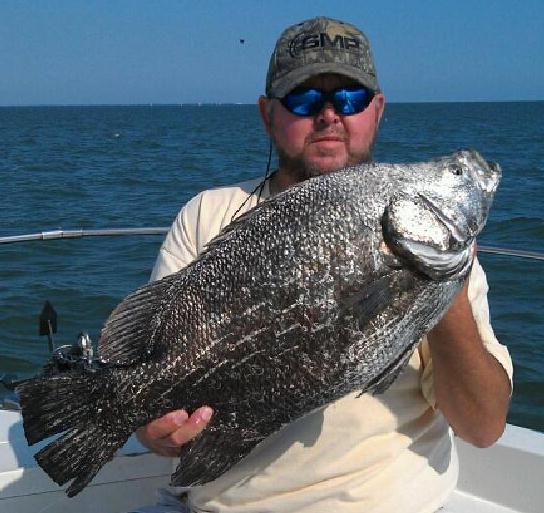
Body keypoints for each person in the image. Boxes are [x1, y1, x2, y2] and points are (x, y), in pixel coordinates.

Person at [132, 17, 513, 513]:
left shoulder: (428, 240)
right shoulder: (207, 215)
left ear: (377, 110)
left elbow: (482, 427)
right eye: (304, 99)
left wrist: (445, 288)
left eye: (350, 98)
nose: (329, 115)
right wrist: (151, 426)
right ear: (268, 114)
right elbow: (149, 371)